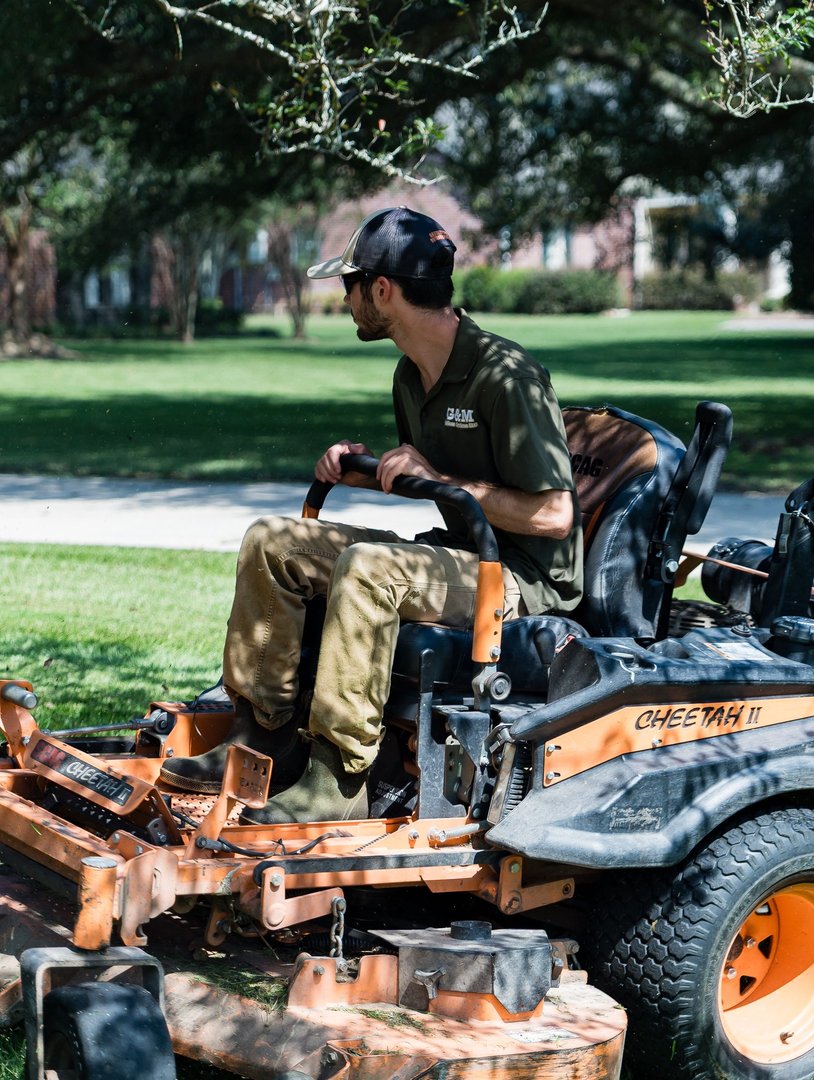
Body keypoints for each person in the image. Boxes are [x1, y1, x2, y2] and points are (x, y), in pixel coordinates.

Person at [160, 207, 581, 823]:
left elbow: (554, 515)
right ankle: (264, 733)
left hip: (520, 581)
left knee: (367, 568)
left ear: (382, 290)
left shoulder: (507, 376)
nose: (346, 297)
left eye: (349, 283)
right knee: (273, 540)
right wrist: (363, 464)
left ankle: (341, 779)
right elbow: (438, 481)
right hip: (459, 552)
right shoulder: (410, 376)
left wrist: (437, 479)